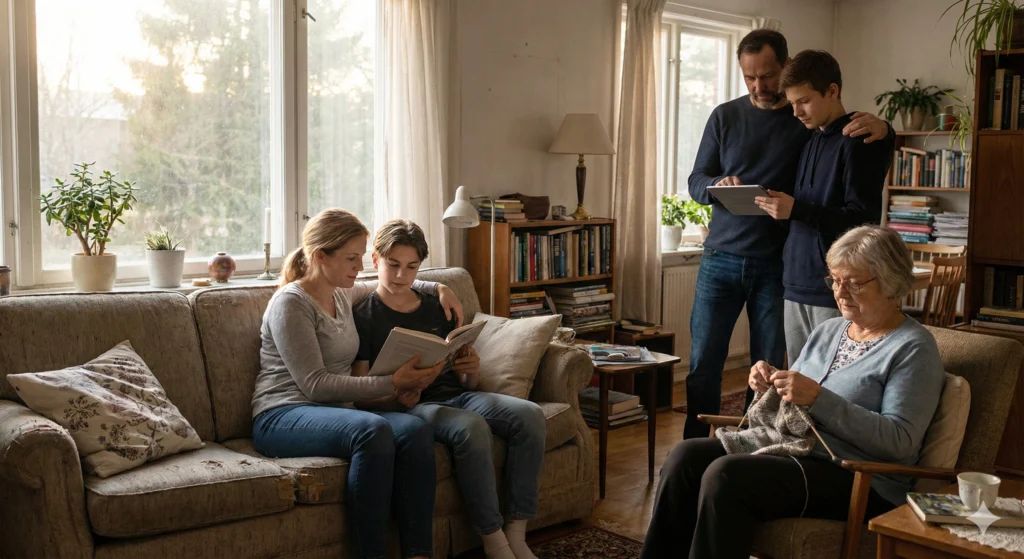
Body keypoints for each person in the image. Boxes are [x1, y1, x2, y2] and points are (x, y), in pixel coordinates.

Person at [641, 225, 944, 559]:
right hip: (792, 450)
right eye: (835, 280)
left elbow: (899, 441)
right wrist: (768, 381)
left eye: (854, 283)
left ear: (891, 283)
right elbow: (792, 399)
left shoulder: (913, 348)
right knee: (684, 458)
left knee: (726, 475)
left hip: (858, 477)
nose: (840, 293)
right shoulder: (830, 330)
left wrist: (818, 398)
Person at [683, 29, 893, 439]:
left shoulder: (807, 122)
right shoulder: (726, 116)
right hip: (720, 258)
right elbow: (695, 181)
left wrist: (886, 128)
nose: (760, 87)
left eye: (768, 76)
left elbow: (856, 153)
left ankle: (753, 442)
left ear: (784, 67)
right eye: (749, 78)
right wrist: (715, 186)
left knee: (769, 368)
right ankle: (697, 446)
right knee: (703, 363)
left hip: (779, 264)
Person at [250, 208, 466, 559]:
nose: (359, 266)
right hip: (282, 414)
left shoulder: (341, 292)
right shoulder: (291, 304)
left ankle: (419, 553)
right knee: (372, 430)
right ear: (321, 256)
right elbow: (315, 386)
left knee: (414, 431)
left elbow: (392, 282)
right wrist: (392, 382)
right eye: (351, 258)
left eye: (361, 257)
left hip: (336, 413)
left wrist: (440, 286)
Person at [352, 219, 546, 559]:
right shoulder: (364, 315)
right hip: (413, 406)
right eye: (393, 265)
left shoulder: (436, 304)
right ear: (375, 261)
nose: (401, 275)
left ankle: (517, 532)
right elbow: (361, 391)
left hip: (457, 393)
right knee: (471, 427)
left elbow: (463, 377)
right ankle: (494, 540)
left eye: (411, 267)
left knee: (530, 415)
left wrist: (471, 370)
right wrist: (398, 397)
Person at [754, 49, 895, 363]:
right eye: (792, 103)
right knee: (799, 379)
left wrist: (797, 210)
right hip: (795, 281)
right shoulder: (811, 138)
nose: (796, 112)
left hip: (834, 286)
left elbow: (863, 222)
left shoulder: (859, 139)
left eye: (803, 101)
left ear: (832, 91)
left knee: (832, 383)